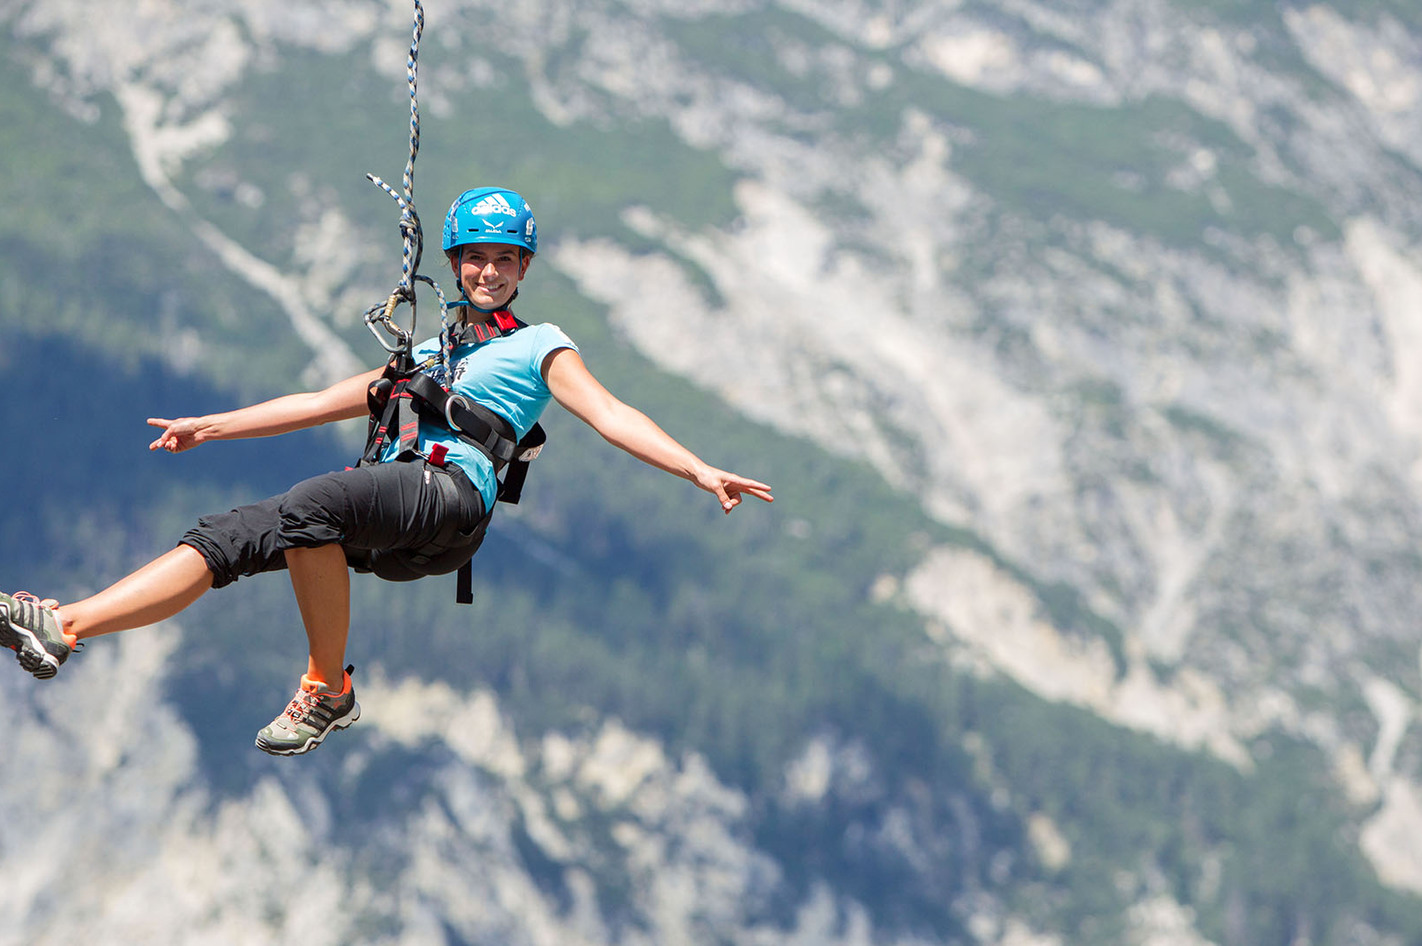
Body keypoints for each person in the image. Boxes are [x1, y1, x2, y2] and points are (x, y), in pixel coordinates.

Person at [0, 186, 773, 756]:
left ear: (523, 269)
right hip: (393, 506)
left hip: (450, 499)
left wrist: (698, 469)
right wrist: (213, 425)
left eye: (505, 260)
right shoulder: (428, 357)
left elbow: (612, 416)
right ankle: (64, 627)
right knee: (226, 534)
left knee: (313, 503)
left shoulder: (539, 345)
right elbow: (321, 400)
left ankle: (326, 689)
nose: (489, 272)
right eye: (476, 258)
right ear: (456, 263)